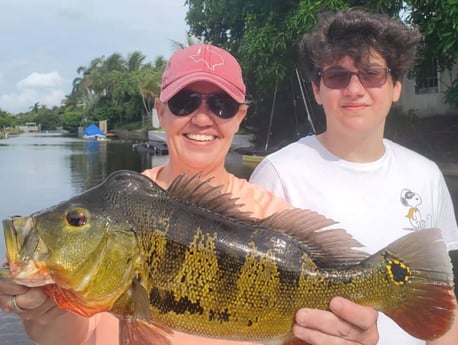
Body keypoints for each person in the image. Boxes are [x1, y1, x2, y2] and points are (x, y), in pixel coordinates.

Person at [0, 43, 379, 345]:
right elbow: (71, 338)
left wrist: (350, 335)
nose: (202, 117)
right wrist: (41, 314)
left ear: (240, 117)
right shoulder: (119, 209)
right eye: (184, 103)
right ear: (161, 112)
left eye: (221, 104)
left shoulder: (270, 216)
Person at [249, 8, 458, 345]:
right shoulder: (278, 174)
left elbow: (441, 307)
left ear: (396, 87)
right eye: (337, 76)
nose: (355, 89)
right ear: (317, 90)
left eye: (372, 74)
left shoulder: (425, 175)